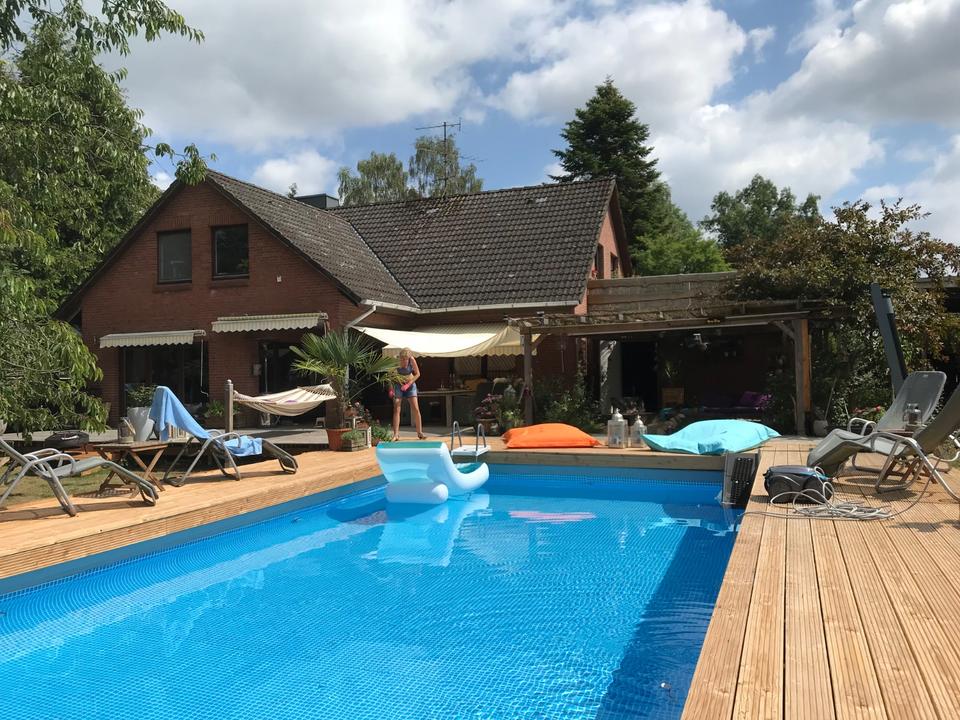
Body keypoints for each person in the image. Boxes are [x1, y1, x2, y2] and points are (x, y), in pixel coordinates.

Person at [392, 347, 424, 441]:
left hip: (410, 385)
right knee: (397, 407)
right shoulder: (396, 361)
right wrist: (391, 389)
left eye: (406, 360)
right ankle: (396, 434)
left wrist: (408, 384)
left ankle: (419, 432)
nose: (404, 362)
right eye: (402, 360)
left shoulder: (412, 360)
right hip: (399, 385)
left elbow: (418, 374)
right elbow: (390, 376)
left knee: (415, 408)